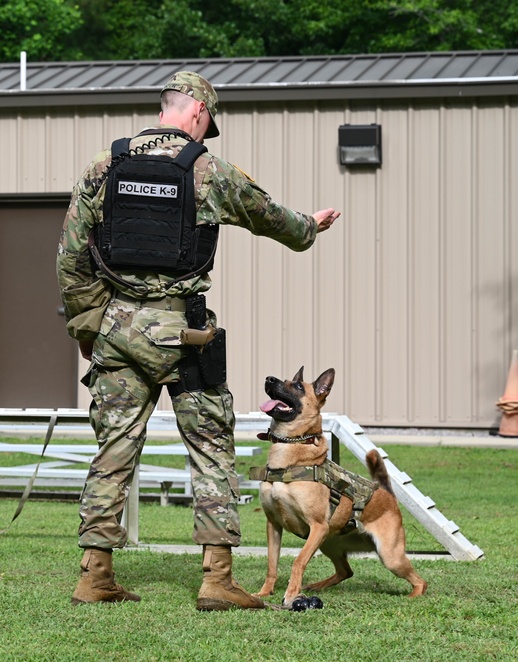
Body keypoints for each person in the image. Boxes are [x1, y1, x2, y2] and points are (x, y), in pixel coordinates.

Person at [56, 71, 340, 611]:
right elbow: (275, 219)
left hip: (115, 331)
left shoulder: (103, 166)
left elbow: (69, 257)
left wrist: (87, 328)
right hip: (183, 334)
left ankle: (94, 577)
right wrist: (311, 226)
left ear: (165, 109)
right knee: (210, 451)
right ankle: (216, 581)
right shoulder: (209, 170)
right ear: (199, 114)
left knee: (112, 453)